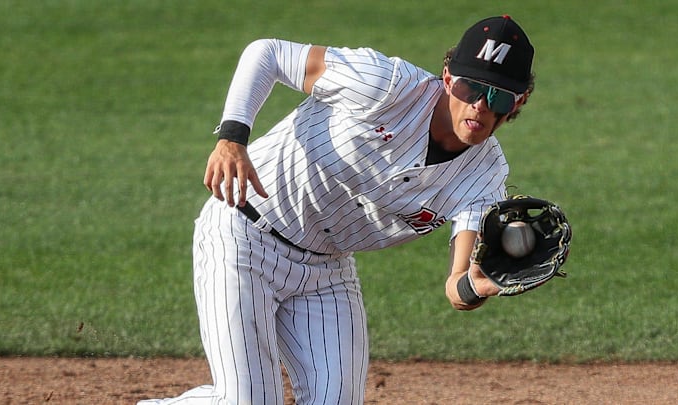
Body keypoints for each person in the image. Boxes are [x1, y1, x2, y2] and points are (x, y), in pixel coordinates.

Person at [139, 14, 535, 405]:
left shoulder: (485, 176)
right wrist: (232, 139)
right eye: (470, 88)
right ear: (448, 78)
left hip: (326, 272)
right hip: (245, 234)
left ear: (519, 101)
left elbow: (457, 286)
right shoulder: (385, 85)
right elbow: (268, 54)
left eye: (498, 95)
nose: (481, 105)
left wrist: (478, 284)